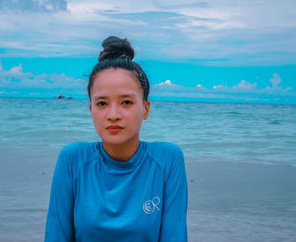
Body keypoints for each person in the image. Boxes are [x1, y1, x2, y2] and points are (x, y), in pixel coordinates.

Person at [44, 36, 188, 242]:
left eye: (126, 102)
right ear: (90, 108)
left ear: (145, 109)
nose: (113, 114)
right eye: (102, 103)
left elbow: (175, 237)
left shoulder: (167, 160)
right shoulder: (73, 160)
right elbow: (55, 236)